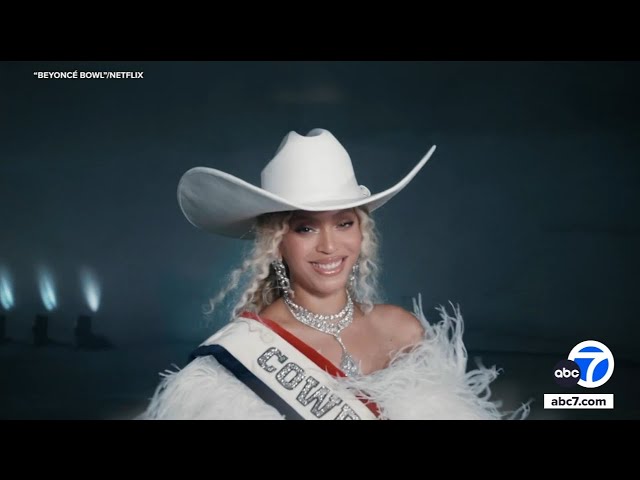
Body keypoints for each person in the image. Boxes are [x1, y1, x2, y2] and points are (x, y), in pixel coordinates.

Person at [140, 128, 529, 420]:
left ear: (362, 233)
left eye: (344, 224)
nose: (329, 246)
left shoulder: (403, 330)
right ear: (277, 242)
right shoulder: (242, 354)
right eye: (305, 228)